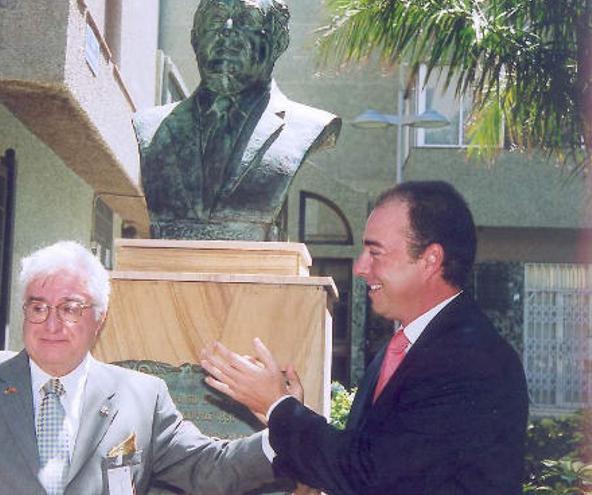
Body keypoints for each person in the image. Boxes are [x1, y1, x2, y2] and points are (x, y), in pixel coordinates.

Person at [0, 241, 278, 495]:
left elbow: (210, 469)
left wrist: (284, 429)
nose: (52, 323)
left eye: (71, 307)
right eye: (38, 307)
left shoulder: (143, 396)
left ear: (99, 317)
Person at [201, 181, 529, 494]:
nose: (360, 267)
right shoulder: (404, 348)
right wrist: (289, 415)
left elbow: (370, 475)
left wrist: (279, 407)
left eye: (375, 253)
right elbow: (369, 456)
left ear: (430, 260)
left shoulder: (472, 361)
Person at [133, 0, 340, 241]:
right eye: (215, 19)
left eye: (247, 20)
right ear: (195, 38)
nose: (227, 30)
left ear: (278, 42)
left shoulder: (308, 127)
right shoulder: (150, 127)